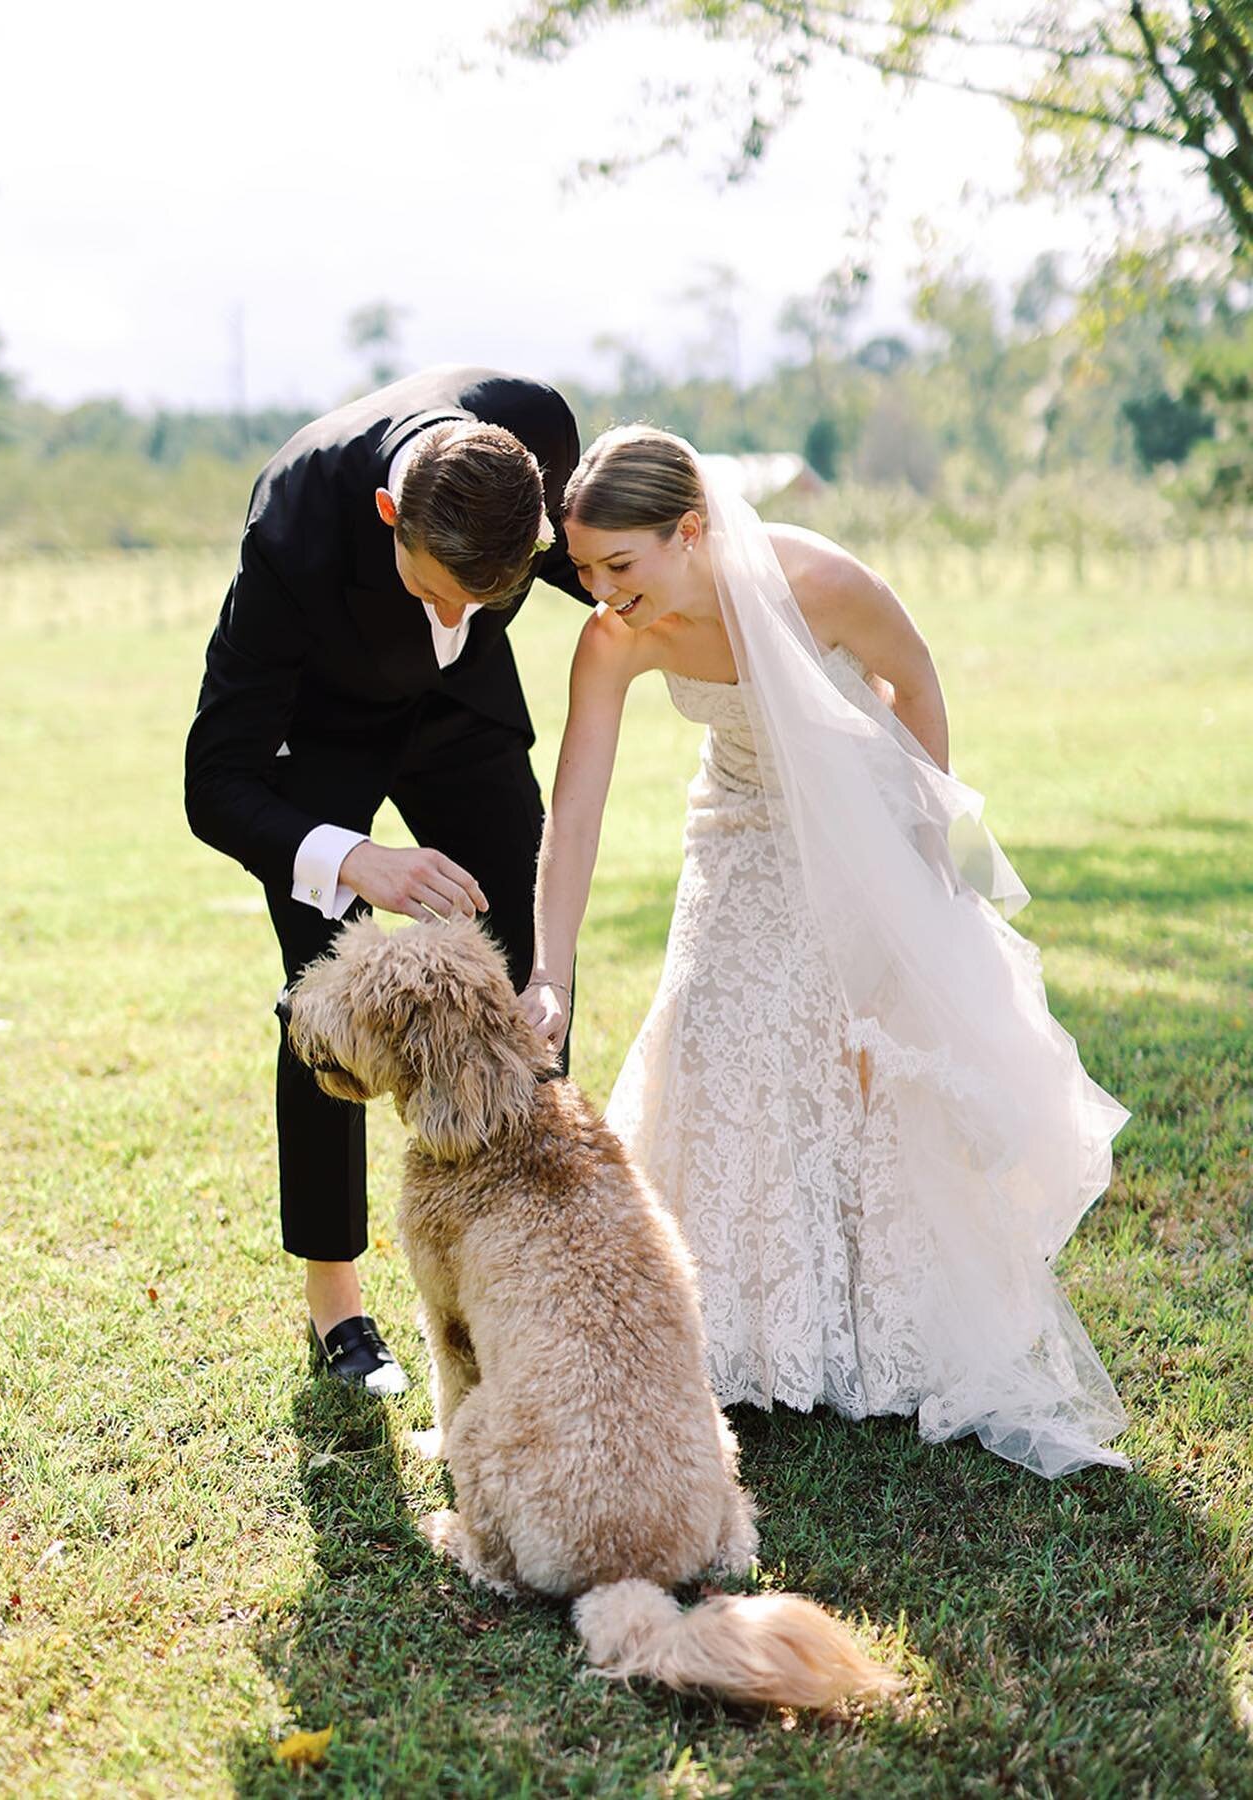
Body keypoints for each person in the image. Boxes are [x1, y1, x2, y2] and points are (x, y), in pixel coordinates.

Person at [523, 426, 1129, 1477]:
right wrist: (549, 973)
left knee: (852, 1056)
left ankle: (875, 1322)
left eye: (619, 565)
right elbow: (573, 814)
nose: (600, 590)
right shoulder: (618, 635)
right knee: (713, 1040)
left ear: (691, 529)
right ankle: (733, 1329)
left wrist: (919, 845)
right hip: (737, 827)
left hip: (856, 824)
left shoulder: (823, 584)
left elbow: (915, 679)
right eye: (582, 569)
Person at [186, 367, 586, 1394]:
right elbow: (214, 781)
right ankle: (340, 1309)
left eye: (480, 598)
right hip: (322, 743)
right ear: (384, 517)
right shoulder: (296, 529)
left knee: (534, 959)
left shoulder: (532, 427)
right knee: (324, 996)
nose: (453, 615)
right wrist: (357, 860)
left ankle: (534, 1257)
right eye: (432, 590)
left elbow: (615, 563)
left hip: (464, 728)